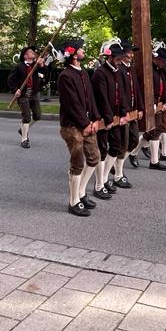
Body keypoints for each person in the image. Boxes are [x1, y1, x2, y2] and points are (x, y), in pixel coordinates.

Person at [57, 39, 102, 216]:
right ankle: (73, 201)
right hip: (72, 126)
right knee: (77, 164)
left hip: (87, 123)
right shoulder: (65, 76)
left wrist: (96, 118)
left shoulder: (82, 72)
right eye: (81, 49)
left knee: (94, 158)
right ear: (74, 54)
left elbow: (90, 98)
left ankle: (81, 193)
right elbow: (72, 104)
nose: (83, 50)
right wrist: (84, 124)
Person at [92, 40, 127, 196]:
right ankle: (99, 185)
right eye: (118, 58)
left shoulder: (118, 72)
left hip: (116, 116)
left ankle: (105, 178)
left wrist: (124, 112)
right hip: (103, 117)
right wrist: (108, 118)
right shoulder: (100, 73)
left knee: (116, 146)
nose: (120, 61)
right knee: (102, 150)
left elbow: (122, 94)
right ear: (110, 57)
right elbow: (102, 98)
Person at [7, 46, 44, 148]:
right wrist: (15, 90)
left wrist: (42, 64)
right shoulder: (19, 67)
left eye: (33, 52)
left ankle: (22, 129)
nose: (33, 53)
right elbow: (10, 80)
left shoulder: (36, 65)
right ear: (25, 56)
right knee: (26, 116)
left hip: (34, 94)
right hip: (23, 95)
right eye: (31, 52)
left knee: (37, 116)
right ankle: (24, 139)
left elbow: (46, 72)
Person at [118, 39, 143, 170]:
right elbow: (121, 93)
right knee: (123, 141)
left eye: (132, 53)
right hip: (124, 111)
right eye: (129, 52)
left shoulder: (131, 68)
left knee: (134, 140)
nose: (131, 55)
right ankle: (118, 169)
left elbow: (136, 89)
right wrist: (125, 111)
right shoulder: (119, 69)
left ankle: (117, 164)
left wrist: (140, 108)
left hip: (133, 110)